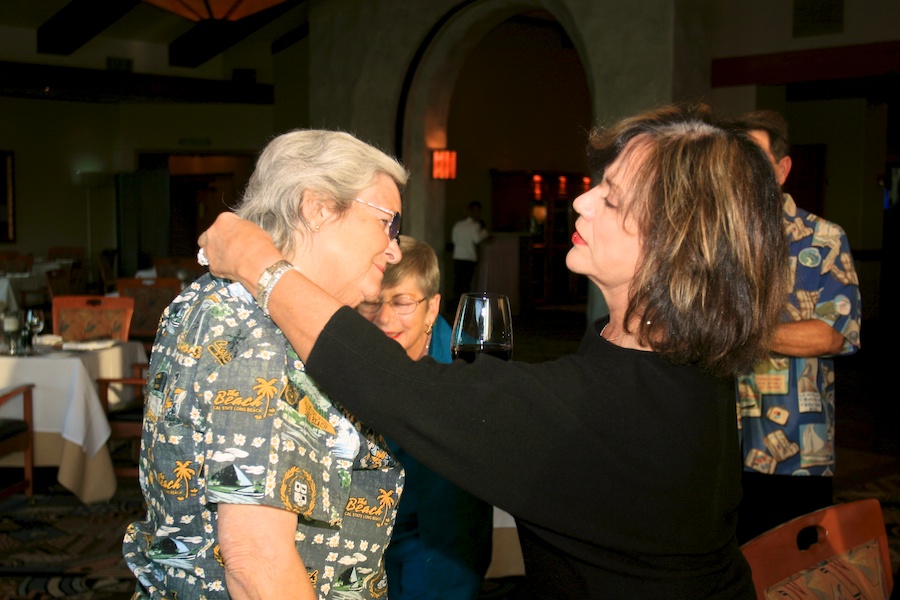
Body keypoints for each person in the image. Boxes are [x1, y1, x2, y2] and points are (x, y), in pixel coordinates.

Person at [198, 103, 789, 598]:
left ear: (674, 242)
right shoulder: (677, 361)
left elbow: (398, 389)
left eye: (611, 199)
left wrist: (258, 263)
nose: (582, 203)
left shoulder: (620, 406)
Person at [122, 129, 410, 599]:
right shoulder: (266, 337)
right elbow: (257, 563)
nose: (395, 248)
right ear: (317, 208)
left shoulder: (212, 300)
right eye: (387, 223)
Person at [729, 110, 862, 543]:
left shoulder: (823, 239)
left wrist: (738, 332)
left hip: (794, 452)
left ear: (782, 169)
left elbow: (832, 334)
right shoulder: (713, 242)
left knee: (791, 567)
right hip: (715, 447)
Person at [357, 235, 493, 600]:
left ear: (432, 309)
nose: (384, 317)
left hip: (441, 554)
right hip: (366, 548)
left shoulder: (464, 377)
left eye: (402, 302)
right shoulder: (352, 359)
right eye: (372, 302)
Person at [450, 201, 489, 311]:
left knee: (458, 283)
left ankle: (457, 307)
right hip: (469, 257)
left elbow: (454, 239)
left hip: (457, 256)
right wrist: (484, 232)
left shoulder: (458, 225)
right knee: (467, 284)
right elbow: (476, 239)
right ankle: (466, 308)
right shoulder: (475, 226)